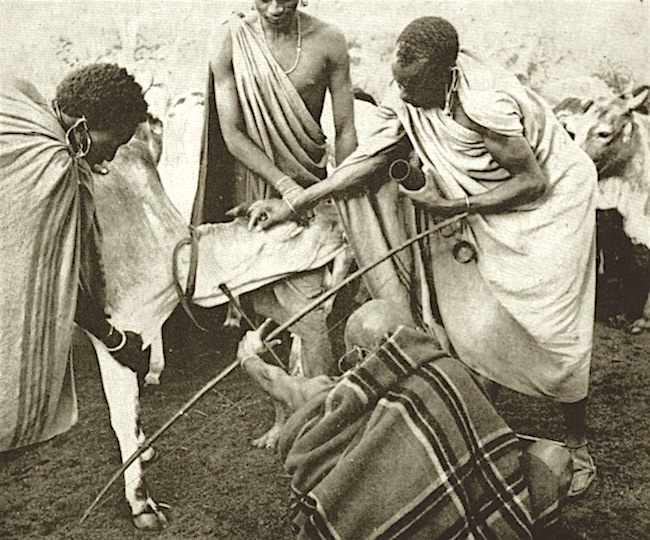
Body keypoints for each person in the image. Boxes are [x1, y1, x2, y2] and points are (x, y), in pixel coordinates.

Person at [246, 17, 598, 497]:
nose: (401, 92)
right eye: (397, 79)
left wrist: (457, 206)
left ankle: (576, 445)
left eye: (411, 85)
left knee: (554, 332)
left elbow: (533, 181)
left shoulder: (484, 107)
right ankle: (476, 407)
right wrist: (297, 202)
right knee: (477, 309)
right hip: (490, 200)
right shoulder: (412, 94)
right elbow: (371, 160)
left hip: (551, 206)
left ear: (445, 75)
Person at [237, 299, 572, 538]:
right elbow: (489, 442)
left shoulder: (336, 396)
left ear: (361, 355)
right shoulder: (448, 371)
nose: (347, 368)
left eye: (348, 357)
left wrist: (248, 355)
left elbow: (276, 382)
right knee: (553, 457)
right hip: (473, 509)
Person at [191, 0, 358, 384]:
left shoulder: (329, 41)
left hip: (310, 192)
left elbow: (345, 130)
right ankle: (288, 410)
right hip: (254, 188)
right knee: (260, 303)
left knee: (309, 312)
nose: (275, 7)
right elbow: (232, 132)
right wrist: (283, 189)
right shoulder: (230, 40)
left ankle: (317, 415)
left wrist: (341, 196)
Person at [0, 63, 152, 451]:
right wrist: (114, 339)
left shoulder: (19, 104)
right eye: (112, 145)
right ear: (83, 127)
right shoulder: (51, 169)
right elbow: (54, 282)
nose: (110, 160)